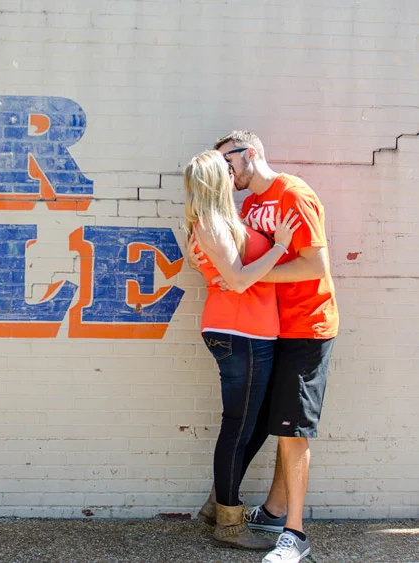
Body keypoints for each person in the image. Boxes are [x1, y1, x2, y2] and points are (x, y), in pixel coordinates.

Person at [197, 131, 339, 563]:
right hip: (271, 329)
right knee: (277, 424)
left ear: (250, 154)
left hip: (308, 326)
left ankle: (294, 536)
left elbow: (315, 264)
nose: (226, 171)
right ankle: (276, 512)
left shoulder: (294, 194)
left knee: (293, 431)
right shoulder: (251, 205)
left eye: (229, 162)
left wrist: (243, 277)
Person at [183, 150, 300, 550]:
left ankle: (217, 504)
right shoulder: (212, 223)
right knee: (237, 427)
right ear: (217, 179)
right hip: (239, 333)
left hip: (251, 332)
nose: (233, 174)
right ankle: (229, 524)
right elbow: (237, 281)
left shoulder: (224, 221)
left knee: (254, 422)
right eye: (227, 170)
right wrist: (280, 246)